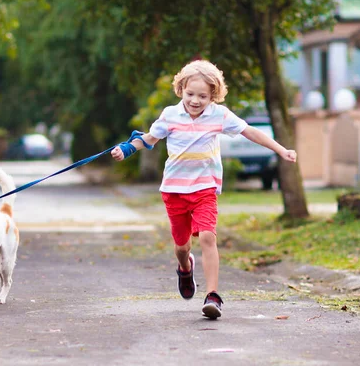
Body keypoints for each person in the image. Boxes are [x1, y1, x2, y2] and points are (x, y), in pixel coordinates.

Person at [111, 60, 297, 319]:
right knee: (181, 247)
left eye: (202, 96)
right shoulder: (170, 115)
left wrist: (280, 150)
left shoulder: (219, 115)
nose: (195, 101)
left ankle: (213, 296)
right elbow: (149, 139)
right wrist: (127, 149)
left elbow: (249, 131)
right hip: (174, 191)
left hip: (204, 189)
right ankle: (185, 269)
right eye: (190, 94)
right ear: (181, 90)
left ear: (213, 96)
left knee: (208, 236)